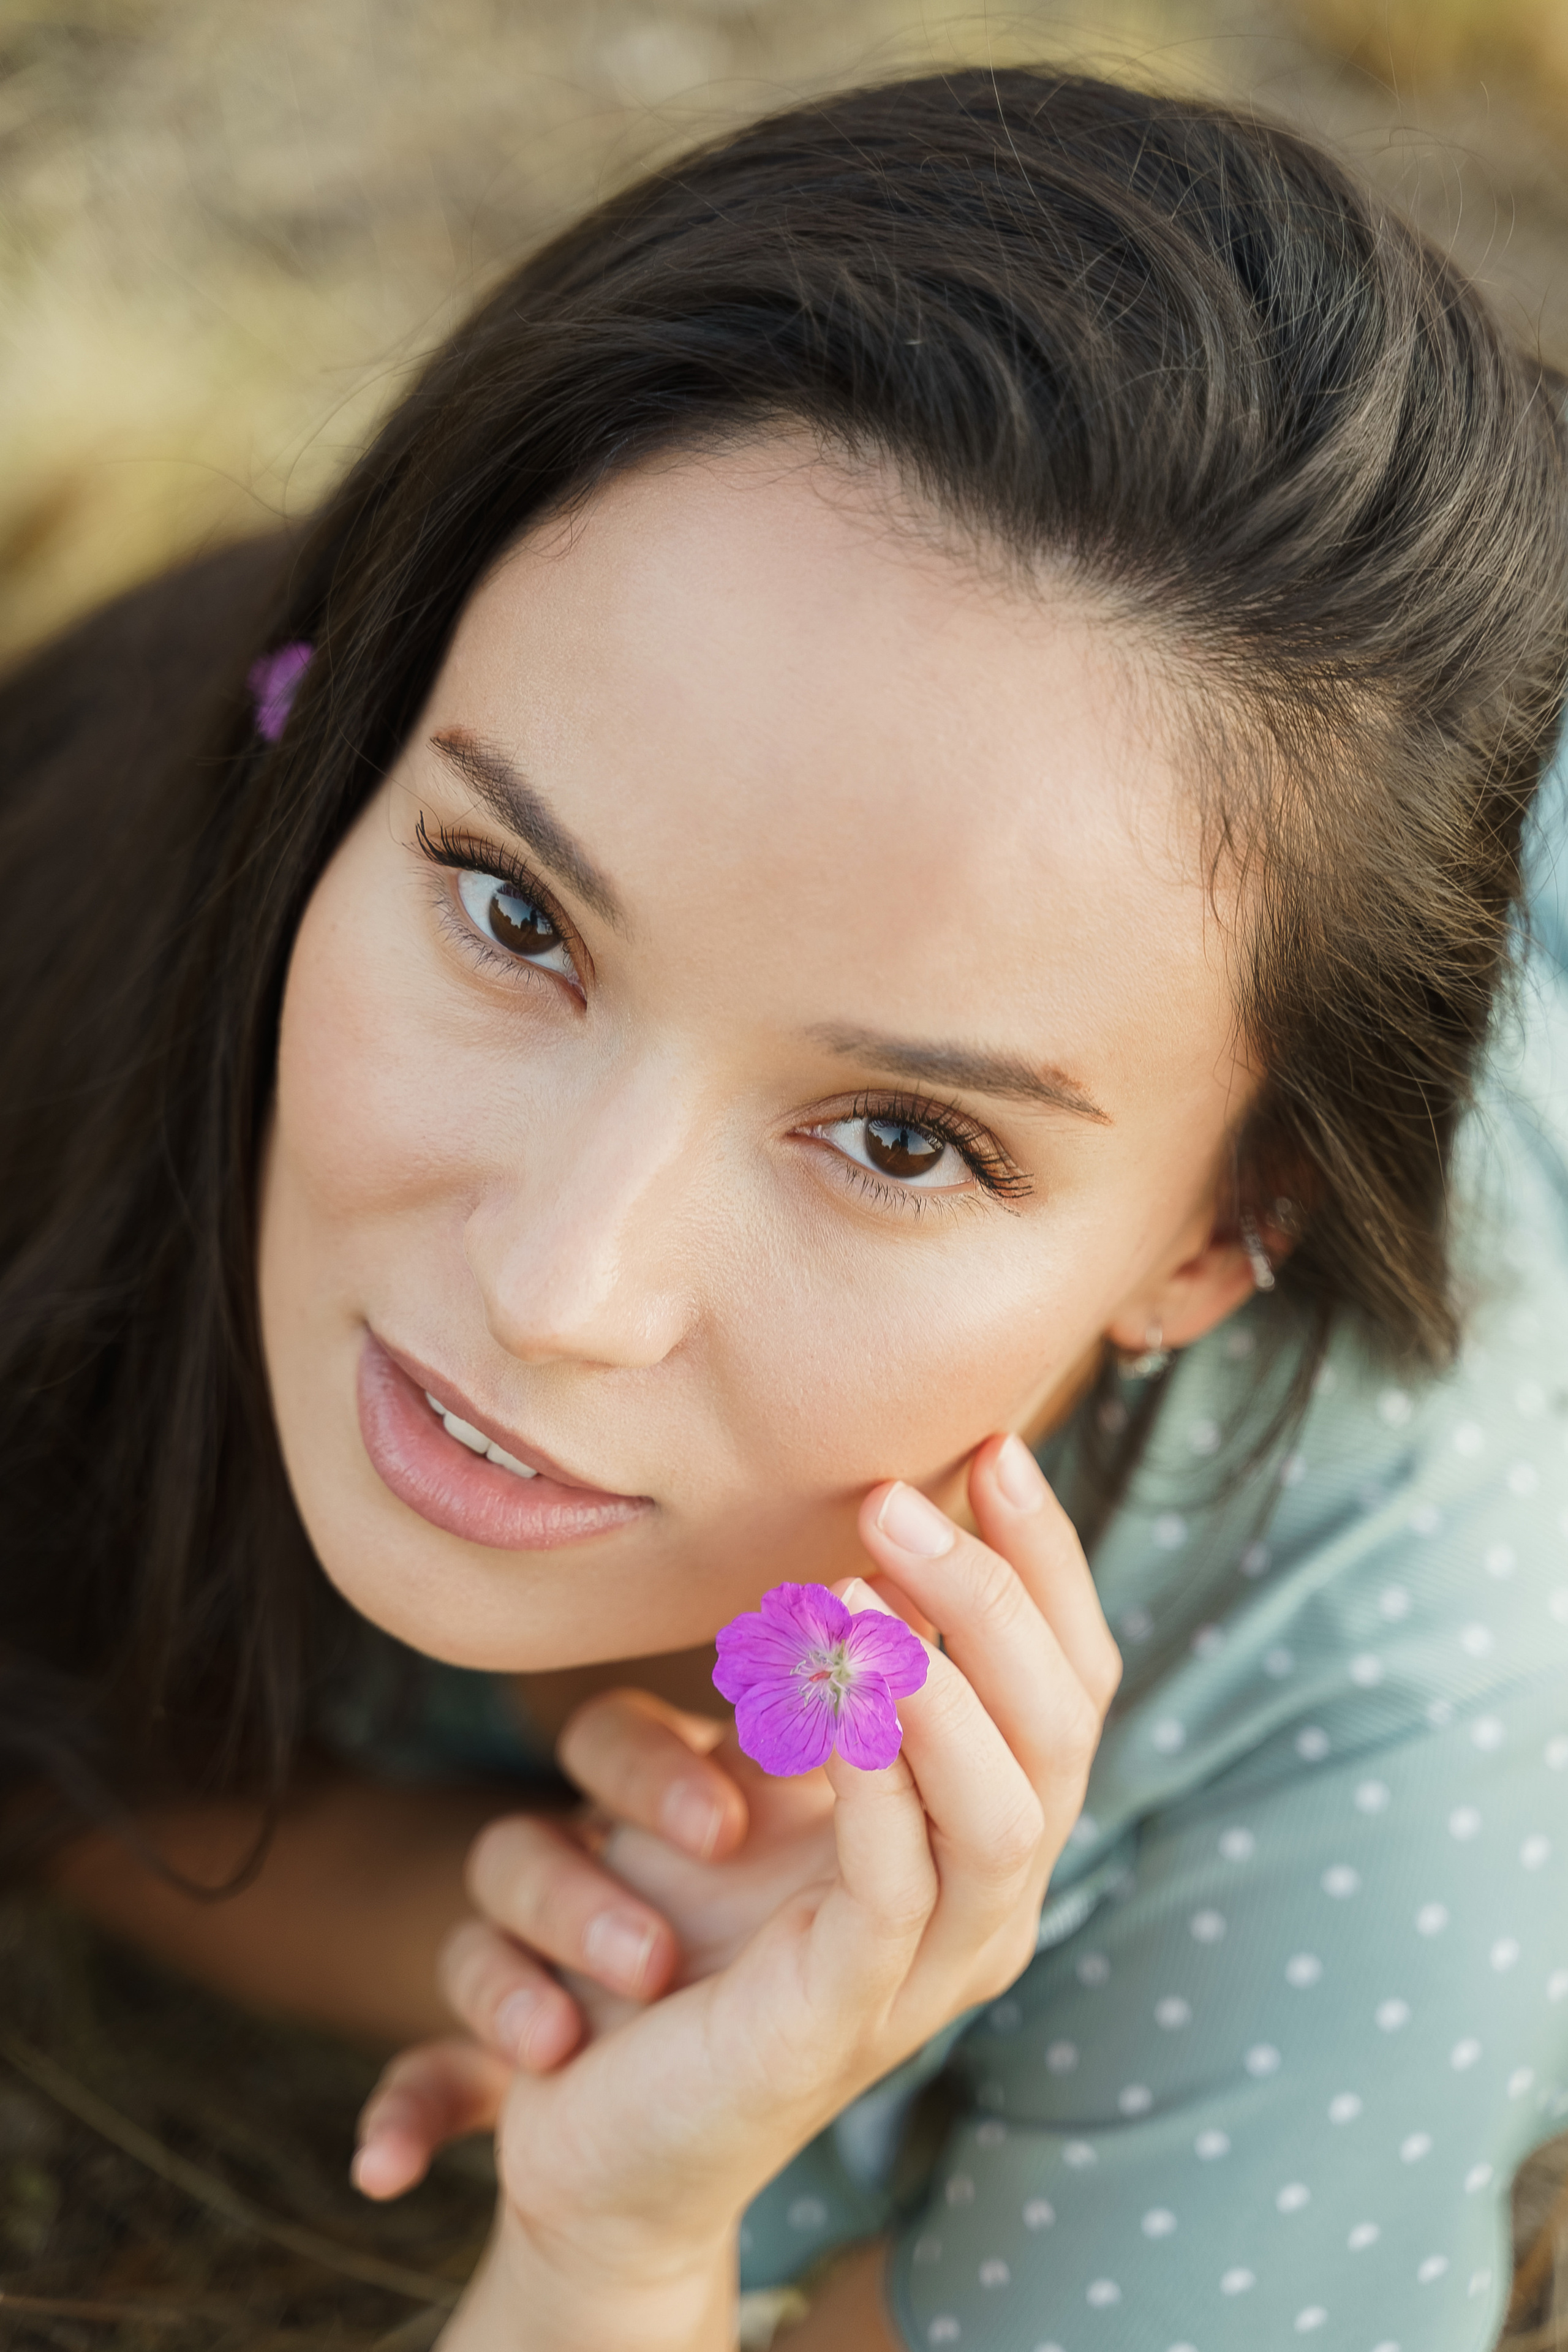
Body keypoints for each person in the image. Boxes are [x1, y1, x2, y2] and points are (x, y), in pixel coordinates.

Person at [2, 64, 1566, 2352]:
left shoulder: (1376, 1774)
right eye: (518, 911)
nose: (559, 1287)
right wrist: (493, 1919)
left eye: (905, 1140)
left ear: (1221, 1241)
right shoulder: (146, 891)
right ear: (357, 730)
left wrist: (616, 2242)